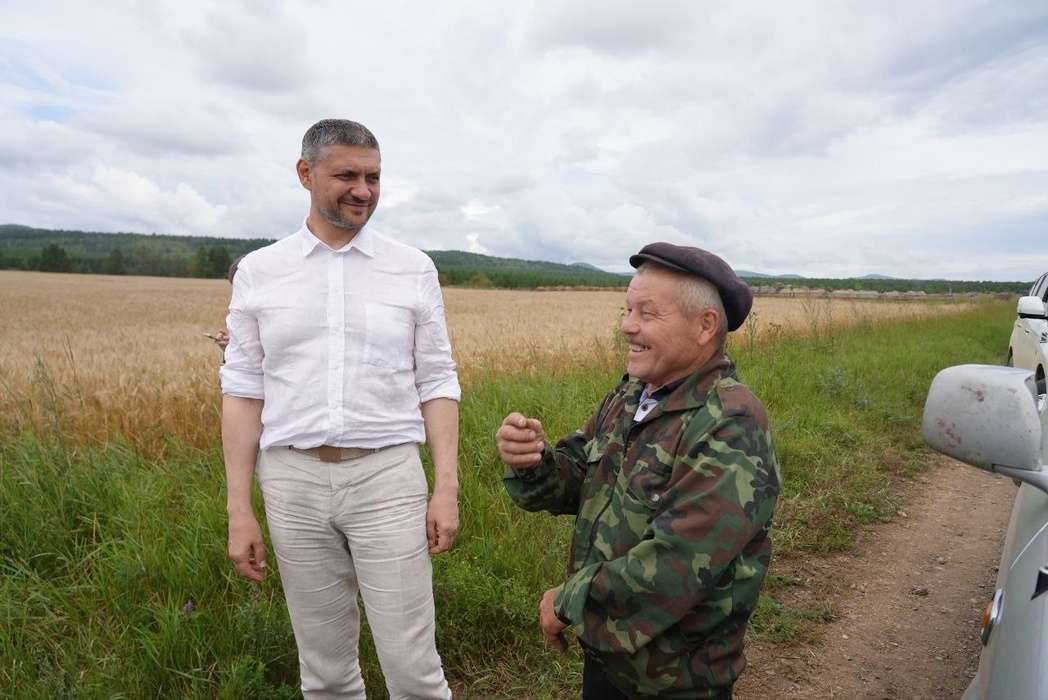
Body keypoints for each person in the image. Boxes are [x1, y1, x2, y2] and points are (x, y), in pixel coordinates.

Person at [220, 119, 460, 699]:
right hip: (292, 482)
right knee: (325, 673)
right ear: (306, 174)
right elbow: (244, 390)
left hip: (387, 477)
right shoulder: (259, 271)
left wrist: (446, 486)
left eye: (373, 177)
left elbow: (436, 378)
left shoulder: (412, 268)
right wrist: (239, 509)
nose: (363, 190)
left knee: (413, 669)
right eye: (347, 175)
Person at [496, 242, 781, 700]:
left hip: (675, 680)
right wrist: (533, 461)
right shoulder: (633, 395)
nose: (627, 326)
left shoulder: (730, 422)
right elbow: (581, 477)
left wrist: (568, 601)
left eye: (648, 313)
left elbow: (678, 562)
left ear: (705, 326)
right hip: (609, 656)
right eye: (627, 310)